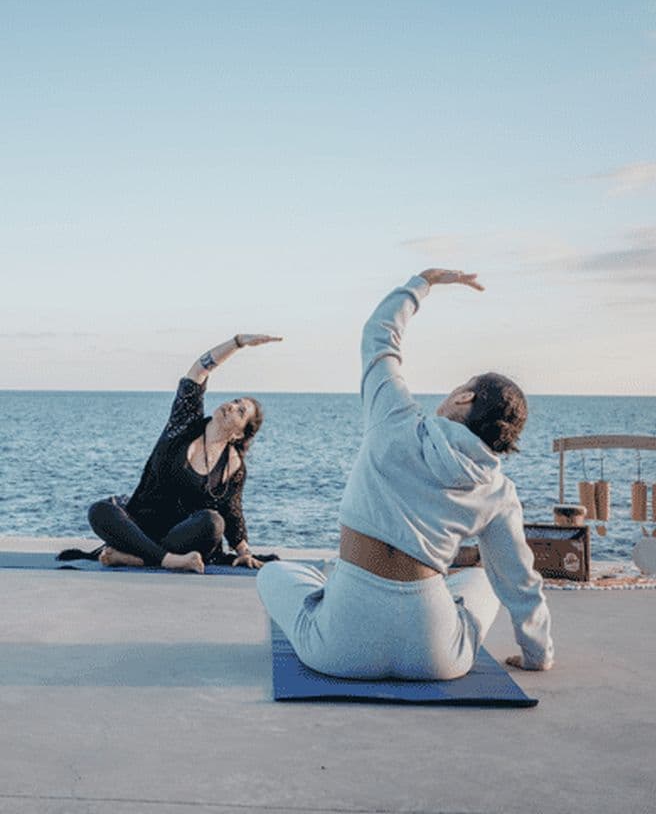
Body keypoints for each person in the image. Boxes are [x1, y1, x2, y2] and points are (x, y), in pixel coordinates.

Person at [257, 270, 554, 679]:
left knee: (273, 572)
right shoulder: (497, 490)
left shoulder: (394, 417)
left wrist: (424, 281)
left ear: (464, 396)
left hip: (340, 649)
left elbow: (379, 336)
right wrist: (537, 655)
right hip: (434, 658)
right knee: (485, 581)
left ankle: (334, 583)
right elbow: (519, 580)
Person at [87, 334, 282, 574]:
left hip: (180, 538)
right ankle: (164, 560)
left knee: (213, 523)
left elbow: (232, 512)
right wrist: (238, 342)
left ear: (240, 435)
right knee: (100, 510)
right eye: (234, 401)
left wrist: (243, 552)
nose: (231, 406)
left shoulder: (233, 467)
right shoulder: (184, 425)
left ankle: (141, 556)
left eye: (240, 412)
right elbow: (199, 371)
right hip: (142, 524)